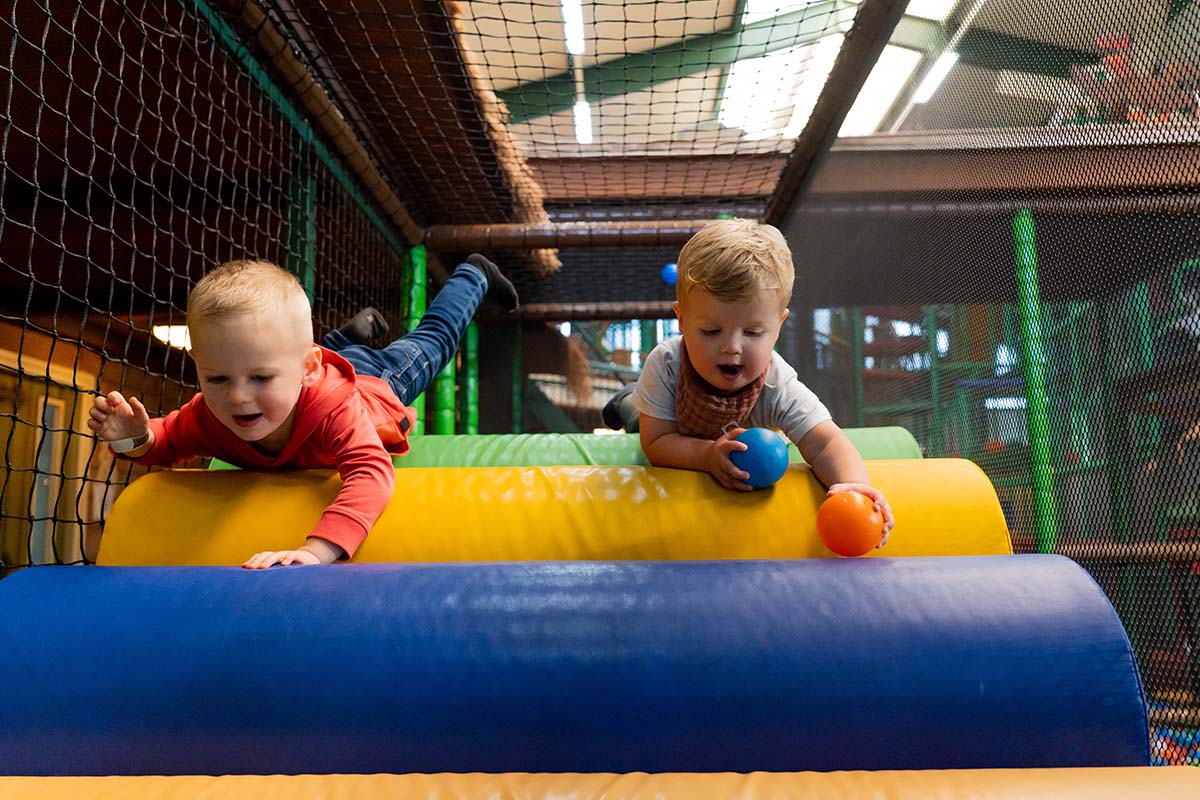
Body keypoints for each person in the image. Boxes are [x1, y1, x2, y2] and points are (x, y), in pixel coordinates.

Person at [88, 254, 518, 568]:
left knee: (435, 341)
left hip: (371, 383)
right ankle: (345, 338)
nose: (238, 397)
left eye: (258, 378)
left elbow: (370, 474)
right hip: (309, 369)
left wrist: (316, 551)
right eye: (218, 379)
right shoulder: (212, 415)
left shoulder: (336, 412)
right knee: (280, 367)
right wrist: (134, 436)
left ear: (307, 369)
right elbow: (165, 443)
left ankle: (473, 273)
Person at [628, 218, 894, 543]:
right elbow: (656, 443)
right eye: (711, 331)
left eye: (753, 333)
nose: (732, 347)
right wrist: (708, 456)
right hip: (671, 419)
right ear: (681, 319)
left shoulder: (776, 383)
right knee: (631, 413)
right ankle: (625, 401)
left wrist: (853, 486)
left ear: (779, 325)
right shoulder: (667, 364)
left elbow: (825, 442)